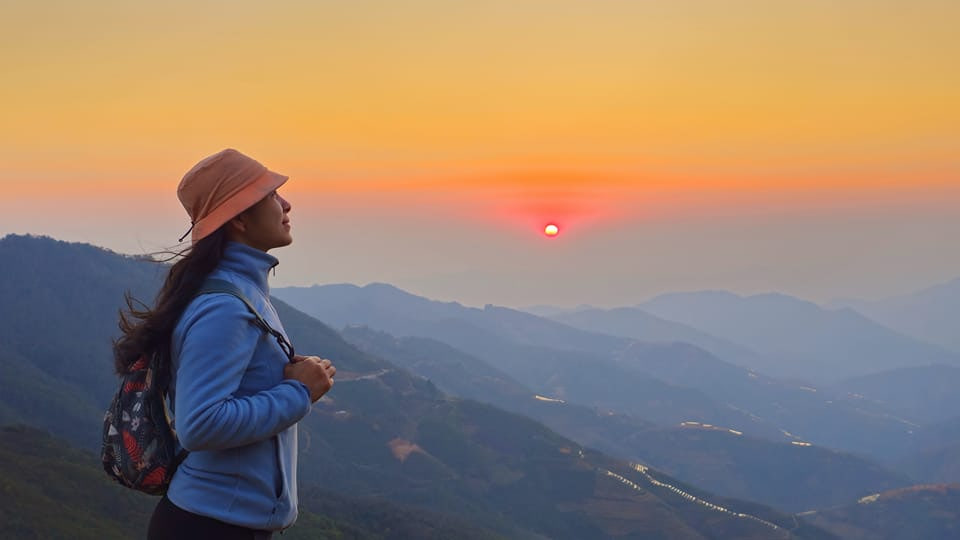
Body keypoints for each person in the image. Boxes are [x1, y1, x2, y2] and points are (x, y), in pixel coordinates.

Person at [112, 148, 336, 539]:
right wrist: (299, 391)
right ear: (240, 220)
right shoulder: (224, 307)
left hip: (222, 522)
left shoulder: (241, 290)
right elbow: (200, 425)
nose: (286, 202)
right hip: (211, 527)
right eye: (270, 195)